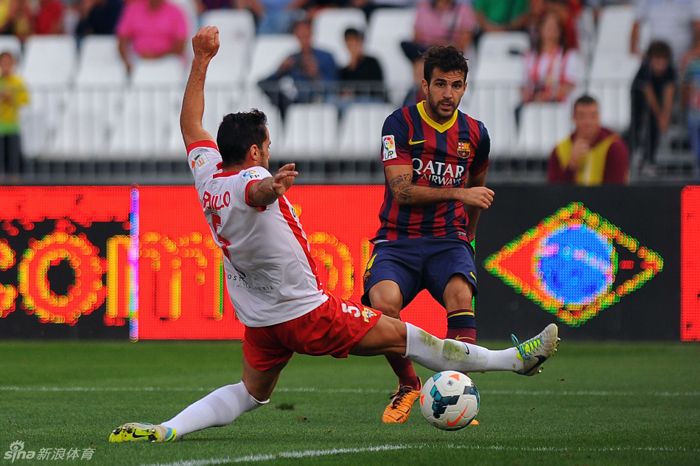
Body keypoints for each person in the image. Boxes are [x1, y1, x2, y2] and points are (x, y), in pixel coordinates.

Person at [108, 26, 560, 443]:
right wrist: (274, 185)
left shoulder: (207, 173)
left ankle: (168, 429)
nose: (269, 149)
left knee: (251, 392)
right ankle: (514, 361)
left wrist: (201, 60)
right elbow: (256, 191)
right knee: (413, 338)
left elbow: (190, 124)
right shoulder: (251, 182)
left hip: (261, 319)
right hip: (306, 311)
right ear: (253, 151)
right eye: (265, 144)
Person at [361, 45, 493, 425]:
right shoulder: (399, 124)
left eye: (456, 85)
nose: (448, 94)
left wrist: (467, 239)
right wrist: (458, 191)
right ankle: (408, 384)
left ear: (465, 87)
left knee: (460, 294)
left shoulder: (476, 134)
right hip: (396, 240)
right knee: (382, 304)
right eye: (440, 84)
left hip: (447, 240)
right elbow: (402, 190)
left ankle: (459, 393)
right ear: (424, 85)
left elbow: (477, 192)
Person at [258, 18, 337, 118]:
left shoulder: (326, 57)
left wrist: (315, 74)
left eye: (305, 33)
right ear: (296, 36)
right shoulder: (294, 59)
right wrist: (281, 70)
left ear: (311, 33)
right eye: (300, 34)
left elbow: (335, 85)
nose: (303, 37)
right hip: (298, 102)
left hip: (322, 101)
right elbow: (265, 84)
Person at [548, 94, 630, 185]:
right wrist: (572, 165)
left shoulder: (614, 146)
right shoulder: (559, 149)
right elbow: (553, 191)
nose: (588, 122)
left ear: (599, 116)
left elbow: (616, 191)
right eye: (582, 116)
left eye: (593, 116)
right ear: (573, 117)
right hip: (571, 199)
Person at [629, 40, 677, 177]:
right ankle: (633, 154)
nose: (660, 66)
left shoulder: (670, 71)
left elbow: (669, 93)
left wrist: (665, 116)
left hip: (657, 96)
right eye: (657, 62)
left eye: (663, 62)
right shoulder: (645, 69)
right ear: (650, 60)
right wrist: (659, 114)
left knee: (654, 128)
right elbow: (648, 92)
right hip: (639, 96)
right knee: (636, 125)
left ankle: (649, 161)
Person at [521, 9, 579, 106]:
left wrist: (546, 96)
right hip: (534, 105)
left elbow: (569, 85)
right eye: (548, 27)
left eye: (555, 28)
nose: (552, 32)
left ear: (560, 31)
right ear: (540, 29)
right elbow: (524, 85)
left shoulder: (568, 56)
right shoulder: (530, 57)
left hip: (560, 106)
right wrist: (529, 96)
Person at [116, 0, 189, 73]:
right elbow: (122, 41)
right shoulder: (133, 9)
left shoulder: (175, 11)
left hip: (168, 61)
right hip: (138, 61)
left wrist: (156, 55)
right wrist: (127, 62)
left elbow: (181, 45)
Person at [630, 0, 700, 70]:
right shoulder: (646, 2)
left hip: (684, 58)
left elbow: (698, 27)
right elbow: (637, 22)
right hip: (658, 58)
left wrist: (694, 52)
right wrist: (635, 52)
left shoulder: (693, 2)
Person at [400, 0, 477, 62]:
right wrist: (433, 43)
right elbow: (417, 38)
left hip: (450, 51)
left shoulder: (462, 10)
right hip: (427, 49)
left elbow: (463, 43)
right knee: (411, 49)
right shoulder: (424, 8)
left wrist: (442, 44)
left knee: (427, 60)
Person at [337, 27, 386, 107]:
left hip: (370, 101)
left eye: (354, 41)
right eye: (349, 41)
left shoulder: (372, 62)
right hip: (352, 103)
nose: (352, 45)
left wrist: (354, 93)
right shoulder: (344, 70)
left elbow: (377, 86)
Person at [0, 51, 29, 177]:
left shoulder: (17, 82)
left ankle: (14, 183)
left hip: (12, 124)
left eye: (8, 62)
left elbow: (25, 100)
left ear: (13, 64)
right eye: (3, 62)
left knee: (13, 157)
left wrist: (10, 98)